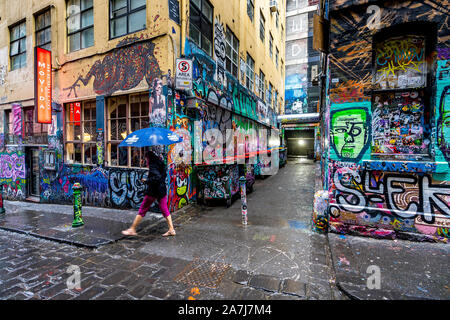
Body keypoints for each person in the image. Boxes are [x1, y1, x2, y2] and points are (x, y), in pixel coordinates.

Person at [122, 151, 176, 237]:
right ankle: (171, 229)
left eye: (146, 158)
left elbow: (156, 177)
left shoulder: (153, 165)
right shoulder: (160, 163)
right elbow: (162, 175)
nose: (146, 160)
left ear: (148, 158)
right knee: (164, 208)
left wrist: (147, 180)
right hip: (162, 190)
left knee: (143, 208)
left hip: (153, 191)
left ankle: (132, 229)